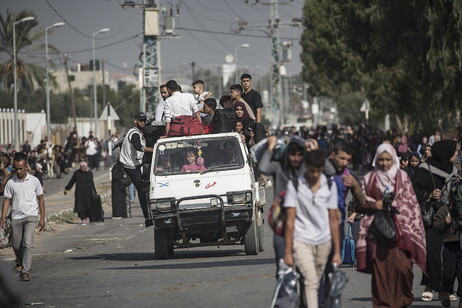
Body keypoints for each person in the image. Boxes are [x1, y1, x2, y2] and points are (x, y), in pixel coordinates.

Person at [356, 143, 427, 307]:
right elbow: (359, 203)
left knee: (403, 271)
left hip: (401, 236)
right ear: (376, 160)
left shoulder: (402, 177)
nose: (385, 163)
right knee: (381, 277)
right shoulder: (370, 179)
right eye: (381, 159)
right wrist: (376, 205)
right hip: (378, 236)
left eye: (388, 159)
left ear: (394, 159)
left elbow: (411, 205)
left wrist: (396, 206)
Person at [283, 149, 341, 308]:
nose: (315, 174)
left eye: (319, 170)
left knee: (315, 281)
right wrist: (288, 252)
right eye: (312, 170)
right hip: (301, 241)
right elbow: (290, 221)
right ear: (306, 166)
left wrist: (336, 252)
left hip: (324, 243)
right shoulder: (294, 185)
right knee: (311, 281)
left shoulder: (330, 186)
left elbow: (333, 220)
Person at [412, 140, 458, 302]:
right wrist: (429, 195)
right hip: (431, 218)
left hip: (451, 218)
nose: (457, 153)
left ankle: (447, 288)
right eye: (454, 151)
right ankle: (430, 285)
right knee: (432, 253)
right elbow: (412, 192)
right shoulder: (423, 170)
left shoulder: (454, 170)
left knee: (450, 255)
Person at [0, 153, 46, 281]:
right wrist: (2, 217)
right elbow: (7, 200)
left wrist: (42, 218)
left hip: (31, 216)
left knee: (27, 243)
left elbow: (41, 199)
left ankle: (25, 271)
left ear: (26, 166)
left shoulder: (34, 181)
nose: (19, 171)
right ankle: (21, 263)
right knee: (15, 245)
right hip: (16, 217)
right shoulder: (11, 182)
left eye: (21, 168)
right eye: (16, 169)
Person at [119, 112, 154, 227]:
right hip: (131, 166)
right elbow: (137, 146)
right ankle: (147, 217)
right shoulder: (134, 133)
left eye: (144, 121)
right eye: (141, 121)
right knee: (142, 190)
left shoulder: (136, 132)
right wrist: (151, 149)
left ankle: (127, 181)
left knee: (145, 185)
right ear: (135, 121)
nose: (143, 122)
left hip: (136, 164)